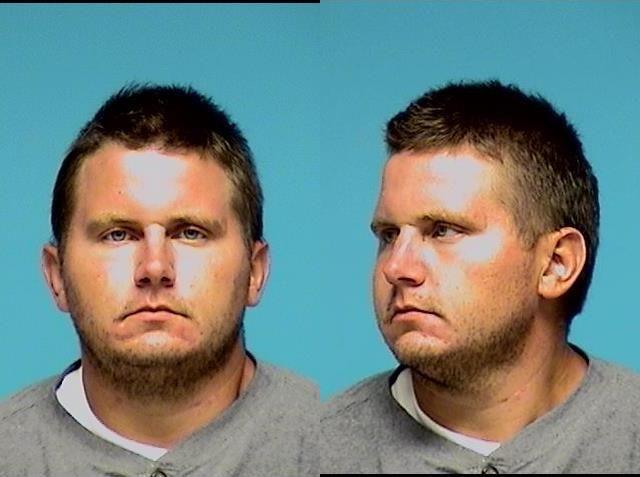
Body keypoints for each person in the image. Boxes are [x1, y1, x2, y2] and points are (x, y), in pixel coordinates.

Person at [321, 80, 640, 473]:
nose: (396, 268)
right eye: (389, 235)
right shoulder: (314, 452)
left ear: (556, 263)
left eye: (443, 230)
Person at [0, 84, 318, 476]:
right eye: (118, 235)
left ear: (255, 271)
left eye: (190, 233)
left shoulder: (329, 441)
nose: (154, 268)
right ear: (57, 276)